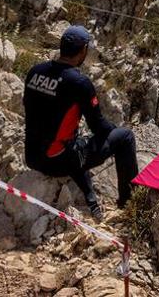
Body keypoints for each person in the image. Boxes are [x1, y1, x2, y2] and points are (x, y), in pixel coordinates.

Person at [22, 25, 138, 215]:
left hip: (32, 156)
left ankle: (90, 191)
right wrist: (114, 129)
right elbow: (98, 126)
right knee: (125, 137)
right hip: (57, 161)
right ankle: (128, 204)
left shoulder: (35, 71)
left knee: (73, 138)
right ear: (84, 50)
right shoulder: (79, 83)